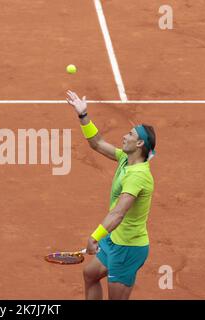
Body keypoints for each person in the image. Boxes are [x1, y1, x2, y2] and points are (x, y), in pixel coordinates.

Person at [66, 90, 156, 300]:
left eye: (131, 134)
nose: (125, 136)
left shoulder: (138, 175)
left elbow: (118, 213)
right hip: (115, 239)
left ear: (140, 144)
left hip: (128, 248)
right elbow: (96, 143)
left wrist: (94, 237)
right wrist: (83, 115)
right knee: (90, 274)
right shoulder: (126, 159)